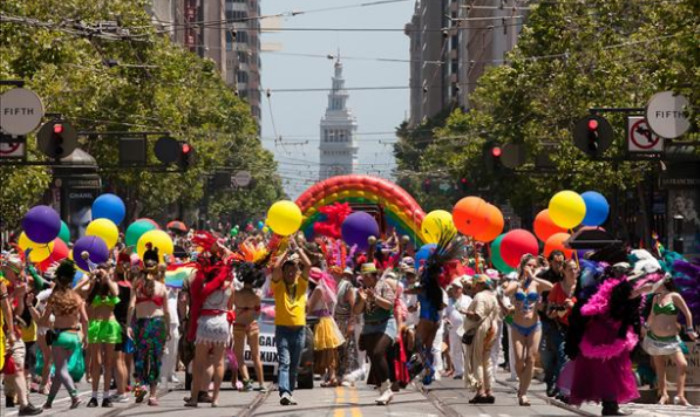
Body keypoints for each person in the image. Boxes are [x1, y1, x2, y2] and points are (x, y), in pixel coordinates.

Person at [184, 247, 235, 408]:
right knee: (219, 362)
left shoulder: (202, 284)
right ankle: (215, 399)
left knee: (200, 362)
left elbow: (193, 296)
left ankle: (194, 398)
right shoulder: (229, 286)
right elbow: (230, 307)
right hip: (222, 322)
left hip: (205, 322)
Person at [504, 254, 553, 406]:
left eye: (534, 266)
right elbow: (506, 292)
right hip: (517, 326)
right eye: (529, 265)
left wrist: (534, 277)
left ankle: (523, 393)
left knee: (530, 358)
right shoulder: (517, 283)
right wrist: (520, 281)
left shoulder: (537, 284)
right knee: (519, 360)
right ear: (523, 266)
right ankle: (522, 386)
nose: (532, 268)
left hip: (534, 326)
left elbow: (551, 286)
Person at [40, 261, 88, 411]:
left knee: (60, 370)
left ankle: (75, 396)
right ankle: (49, 401)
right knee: (62, 371)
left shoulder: (54, 298)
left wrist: (32, 308)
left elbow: (43, 319)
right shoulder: (76, 297)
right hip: (74, 336)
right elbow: (85, 319)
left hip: (60, 336)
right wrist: (85, 337)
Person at [642, 276, 697, 406]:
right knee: (660, 367)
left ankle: (680, 396)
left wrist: (689, 330)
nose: (653, 287)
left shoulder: (675, 296)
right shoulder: (656, 297)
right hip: (654, 337)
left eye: (655, 284)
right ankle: (664, 395)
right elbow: (652, 315)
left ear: (663, 284)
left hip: (671, 339)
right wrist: (645, 327)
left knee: (682, 364)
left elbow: (687, 313)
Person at [126, 253, 170, 406]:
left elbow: (131, 306)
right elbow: (167, 311)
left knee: (139, 357)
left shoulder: (137, 286)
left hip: (141, 324)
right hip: (158, 325)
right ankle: (152, 395)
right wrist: (169, 329)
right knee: (155, 359)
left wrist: (128, 325)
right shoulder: (161, 287)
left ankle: (139, 388)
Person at [0, 255, 43, 415]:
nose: (18, 276)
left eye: (19, 273)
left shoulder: (16, 287)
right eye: (16, 272)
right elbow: (6, 309)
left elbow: (16, 313)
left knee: (17, 367)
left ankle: (24, 404)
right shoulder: (2, 284)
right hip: (5, 333)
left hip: (11, 334)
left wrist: (20, 298)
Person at [271, 239, 311, 406]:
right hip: (283, 331)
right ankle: (284, 392)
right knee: (285, 362)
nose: (291, 272)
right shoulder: (278, 286)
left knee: (294, 365)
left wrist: (297, 248)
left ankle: (289, 392)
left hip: (299, 331)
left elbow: (308, 265)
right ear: (284, 270)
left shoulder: (301, 284)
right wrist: (285, 253)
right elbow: (274, 268)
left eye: (294, 269)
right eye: (288, 269)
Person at [354, 263, 398, 405]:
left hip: (386, 324)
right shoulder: (361, 290)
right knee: (373, 357)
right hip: (369, 327)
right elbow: (356, 311)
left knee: (378, 352)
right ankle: (382, 389)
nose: (363, 280)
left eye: (365, 277)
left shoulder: (383, 286)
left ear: (372, 276)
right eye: (362, 277)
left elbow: (390, 305)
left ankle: (387, 389)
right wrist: (361, 300)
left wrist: (375, 298)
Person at [83, 263, 121, 408]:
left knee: (108, 362)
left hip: (110, 326)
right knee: (96, 362)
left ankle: (106, 396)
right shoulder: (93, 289)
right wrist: (93, 279)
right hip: (96, 325)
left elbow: (116, 293)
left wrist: (107, 278)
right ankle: (94, 396)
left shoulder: (112, 288)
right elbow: (82, 292)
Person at [463, 274, 500, 404]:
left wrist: (464, 312)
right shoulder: (493, 296)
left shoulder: (480, 296)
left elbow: (477, 315)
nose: (473, 288)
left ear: (479, 285)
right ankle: (489, 390)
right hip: (492, 328)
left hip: (482, 329)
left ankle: (480, 391)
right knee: (486, 360)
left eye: (475, 285)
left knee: (477, 360)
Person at [545, 259, 578, 400]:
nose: (573, 272)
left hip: (577, 328)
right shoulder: (557, 287)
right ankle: (563, 390)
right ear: (563, 271)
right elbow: (548, 310)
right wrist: (554, 312)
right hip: (560, 328)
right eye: (570, 269)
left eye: (575, 269)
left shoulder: (581, 287)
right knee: (562, 356)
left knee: (574, 359)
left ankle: (567, 388)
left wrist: (572, 306)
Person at [307, 267, 344, 387]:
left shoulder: (318, 289)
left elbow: (310, 307)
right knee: (329, 351)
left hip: (321, 321)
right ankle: (331, 376)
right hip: (327, 319)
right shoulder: (323, 288)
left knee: (326, 351)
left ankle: (331, 376)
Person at [232, 262, 266, 392]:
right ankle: (262, 383)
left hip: (239, 325)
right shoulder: (256, 296)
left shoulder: (236, 294)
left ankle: (247, 381)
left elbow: (231, 307)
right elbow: (258, 312)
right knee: (256, 355)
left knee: (239, 356)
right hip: (252, 325)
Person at [537, 250, 565, 398]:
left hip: (562, 321)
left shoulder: (565, 276)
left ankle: (558, 384)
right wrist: (538, 304)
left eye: (561, 262)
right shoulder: (543, 277)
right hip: (545, 320)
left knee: (561, 353)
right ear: (550, 262)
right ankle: (550, 381)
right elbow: (534, 293)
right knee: (546, 354)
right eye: (556, 262)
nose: (559, 265)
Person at [334, 267, 359, 385]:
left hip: (344, 320)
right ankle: (337, 376)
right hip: (335, 321)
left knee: (348, 349)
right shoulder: (332, 284)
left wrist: (351, 323)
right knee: (337, 350)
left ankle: (348, 376)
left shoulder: (347, 286)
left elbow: (353, 306)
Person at [445, 278, 471, 379]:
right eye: (454, 288)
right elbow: (444, 314)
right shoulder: (448, 301)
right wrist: (446, 320)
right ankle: (459, 371)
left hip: (466, 328)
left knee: (466, 349)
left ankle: (468, 371)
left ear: (461, 289)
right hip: (453, 329)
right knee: (455, 350)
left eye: (457, 288)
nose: (455, 290)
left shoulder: (468, 299)